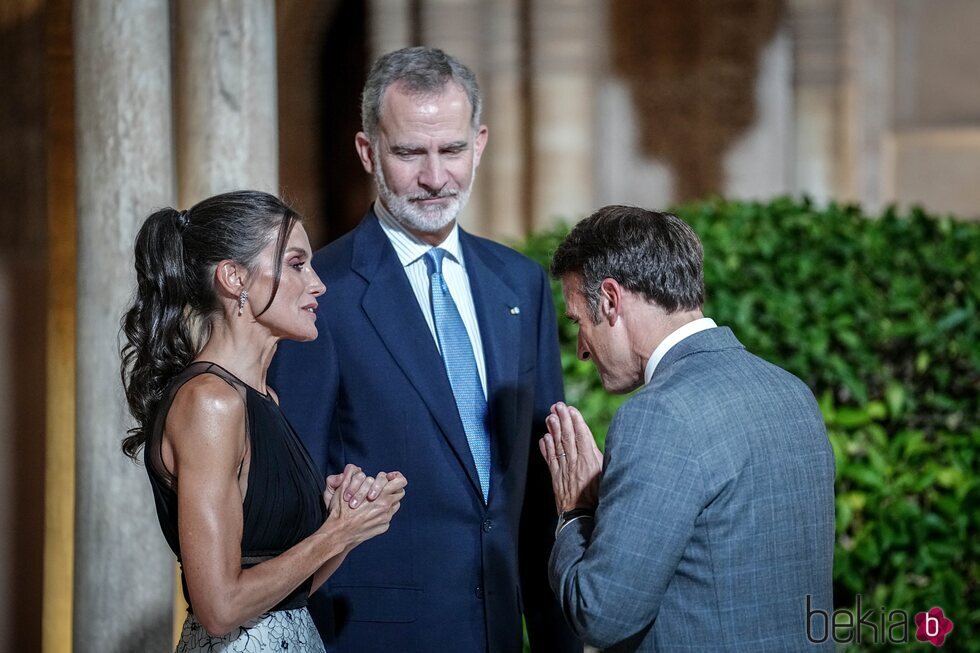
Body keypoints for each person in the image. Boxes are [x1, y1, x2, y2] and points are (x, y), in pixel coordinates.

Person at [270, 48, 578, 652]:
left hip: (502, 634)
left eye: (453, 150)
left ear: (480, 142)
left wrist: (556, 638)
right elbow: (297, 493)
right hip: (371, 637)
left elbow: (540, 487)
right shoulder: (318, 295)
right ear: (368, 151)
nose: (436, 177)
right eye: (410, 152)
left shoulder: (520, 283)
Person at [120, 190, 407, 652]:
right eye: (296, 264)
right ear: (235, 277)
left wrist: (349, 523)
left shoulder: (263, 397)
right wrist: (335, 533)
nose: (318, 284)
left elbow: (288, 594)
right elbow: (219, 609)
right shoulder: (209, 403)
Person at [540, 205, 836, 651]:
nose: (582, 349)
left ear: (613, 300)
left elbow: (600, 615)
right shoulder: (793, 392)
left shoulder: (657, 416)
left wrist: (575, 512)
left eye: (579, 321)